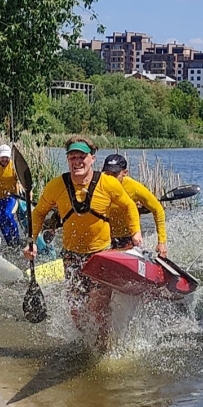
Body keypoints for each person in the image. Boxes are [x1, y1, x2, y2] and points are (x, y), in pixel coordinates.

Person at [23, 136, 142, 350]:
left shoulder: (108, 183)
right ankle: (86, 346)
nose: (77, 162)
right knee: (76, 313)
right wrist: (31, 241)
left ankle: (103, 348)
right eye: (72, 157)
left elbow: (129, 207)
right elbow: (39, 212)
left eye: (82, 157)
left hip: (101, 256)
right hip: (71, 256)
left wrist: (136, 232)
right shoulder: (56, 185)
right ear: (68, 160)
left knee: (97, 307)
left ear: (92, 159)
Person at [101, 154, 168, 258]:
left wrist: (162, 242)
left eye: (114, 174)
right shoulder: (99, 183)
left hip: (127, 237)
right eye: (107, 173)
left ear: (125, 173)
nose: (110, 178)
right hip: (103, 237)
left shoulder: (134, 187)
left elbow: (158, 210)